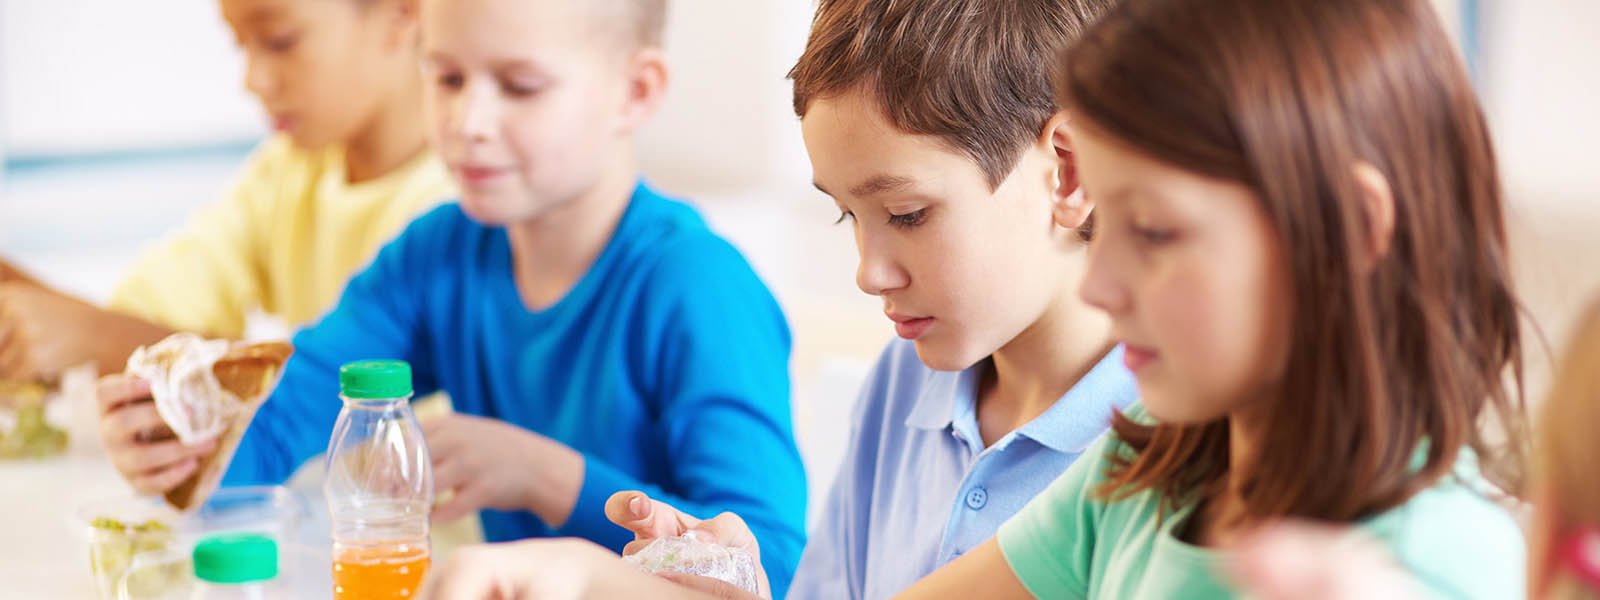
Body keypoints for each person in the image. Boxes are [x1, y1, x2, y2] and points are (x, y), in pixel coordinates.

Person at [94, 0, 809, 593]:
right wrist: (180, 444)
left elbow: (769, 566)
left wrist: (546, 477)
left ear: (637, 91)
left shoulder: (700, 288)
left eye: (521, 86)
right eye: (446, 77)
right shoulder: (436, 256)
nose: (468, 122)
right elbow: (278, 426)